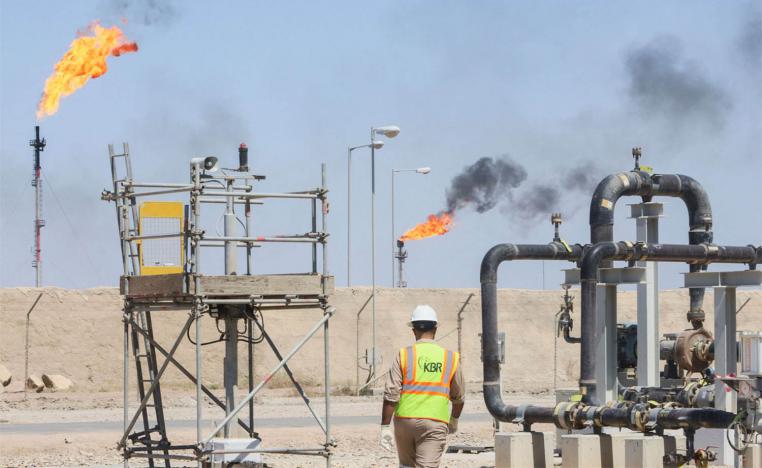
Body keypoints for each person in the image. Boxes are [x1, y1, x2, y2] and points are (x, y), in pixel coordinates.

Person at [379, 304, 464, 468]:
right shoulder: (450, 358)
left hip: (404, 421)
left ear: (413, 329)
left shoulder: (404, 354)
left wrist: (384, 427)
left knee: (406, 466)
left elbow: (391, 393)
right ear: (436, 328)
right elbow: (459, 398)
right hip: (434, 422)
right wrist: (453, 420)